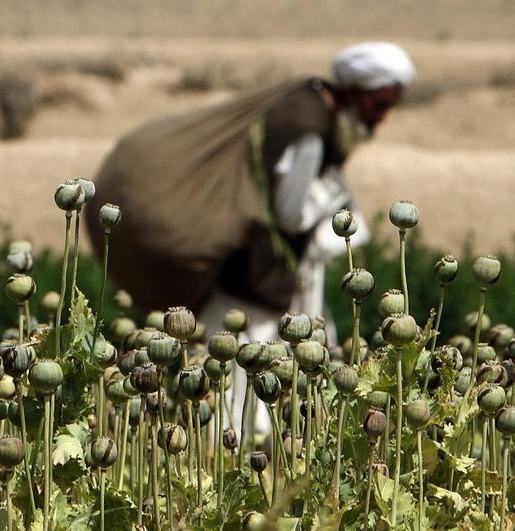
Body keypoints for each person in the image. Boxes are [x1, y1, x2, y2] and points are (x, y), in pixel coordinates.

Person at [85, 42, 415, 431]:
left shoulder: (305, 98)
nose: (381, 119)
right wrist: (332, 192)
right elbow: (291, 213)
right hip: (251, 287)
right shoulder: (308, 129)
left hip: (247, 282)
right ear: (356, 92)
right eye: (379, 104)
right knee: (242, 401)